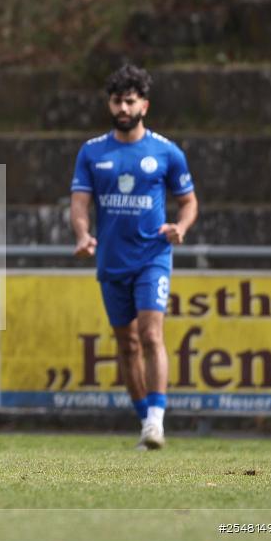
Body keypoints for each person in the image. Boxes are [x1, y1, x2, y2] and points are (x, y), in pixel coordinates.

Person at [70, 64, 198, 450]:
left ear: (144, 104)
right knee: (126, 344)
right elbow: (80, 202)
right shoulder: (93, 152)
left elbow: (189, 201)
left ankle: (157, 420)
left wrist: (182, 227)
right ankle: (145, 421)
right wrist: (82, 234)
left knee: (151, 333)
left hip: (152, 257)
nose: (123, 107)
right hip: (111, 260)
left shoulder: (165, 151)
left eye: (130, 100)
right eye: (116, 101)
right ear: (109, 105)